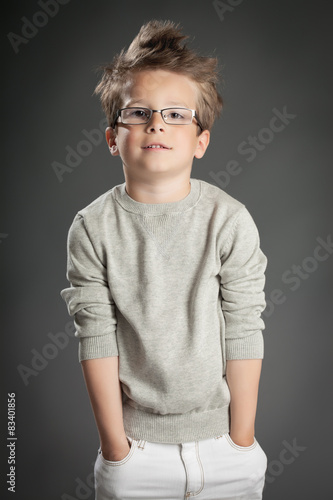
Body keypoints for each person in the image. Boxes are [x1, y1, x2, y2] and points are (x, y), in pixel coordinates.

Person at [60, 19, 268, 500]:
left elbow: (243, 326)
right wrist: (116, 450)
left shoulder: (229, 220)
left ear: (201, 140)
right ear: (113, 138)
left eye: (177, 114)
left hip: (224, 448)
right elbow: (96, 335)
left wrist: (241, 439)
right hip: (136, 454)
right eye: (139, 113)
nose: (157, 123)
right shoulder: (92, 227)